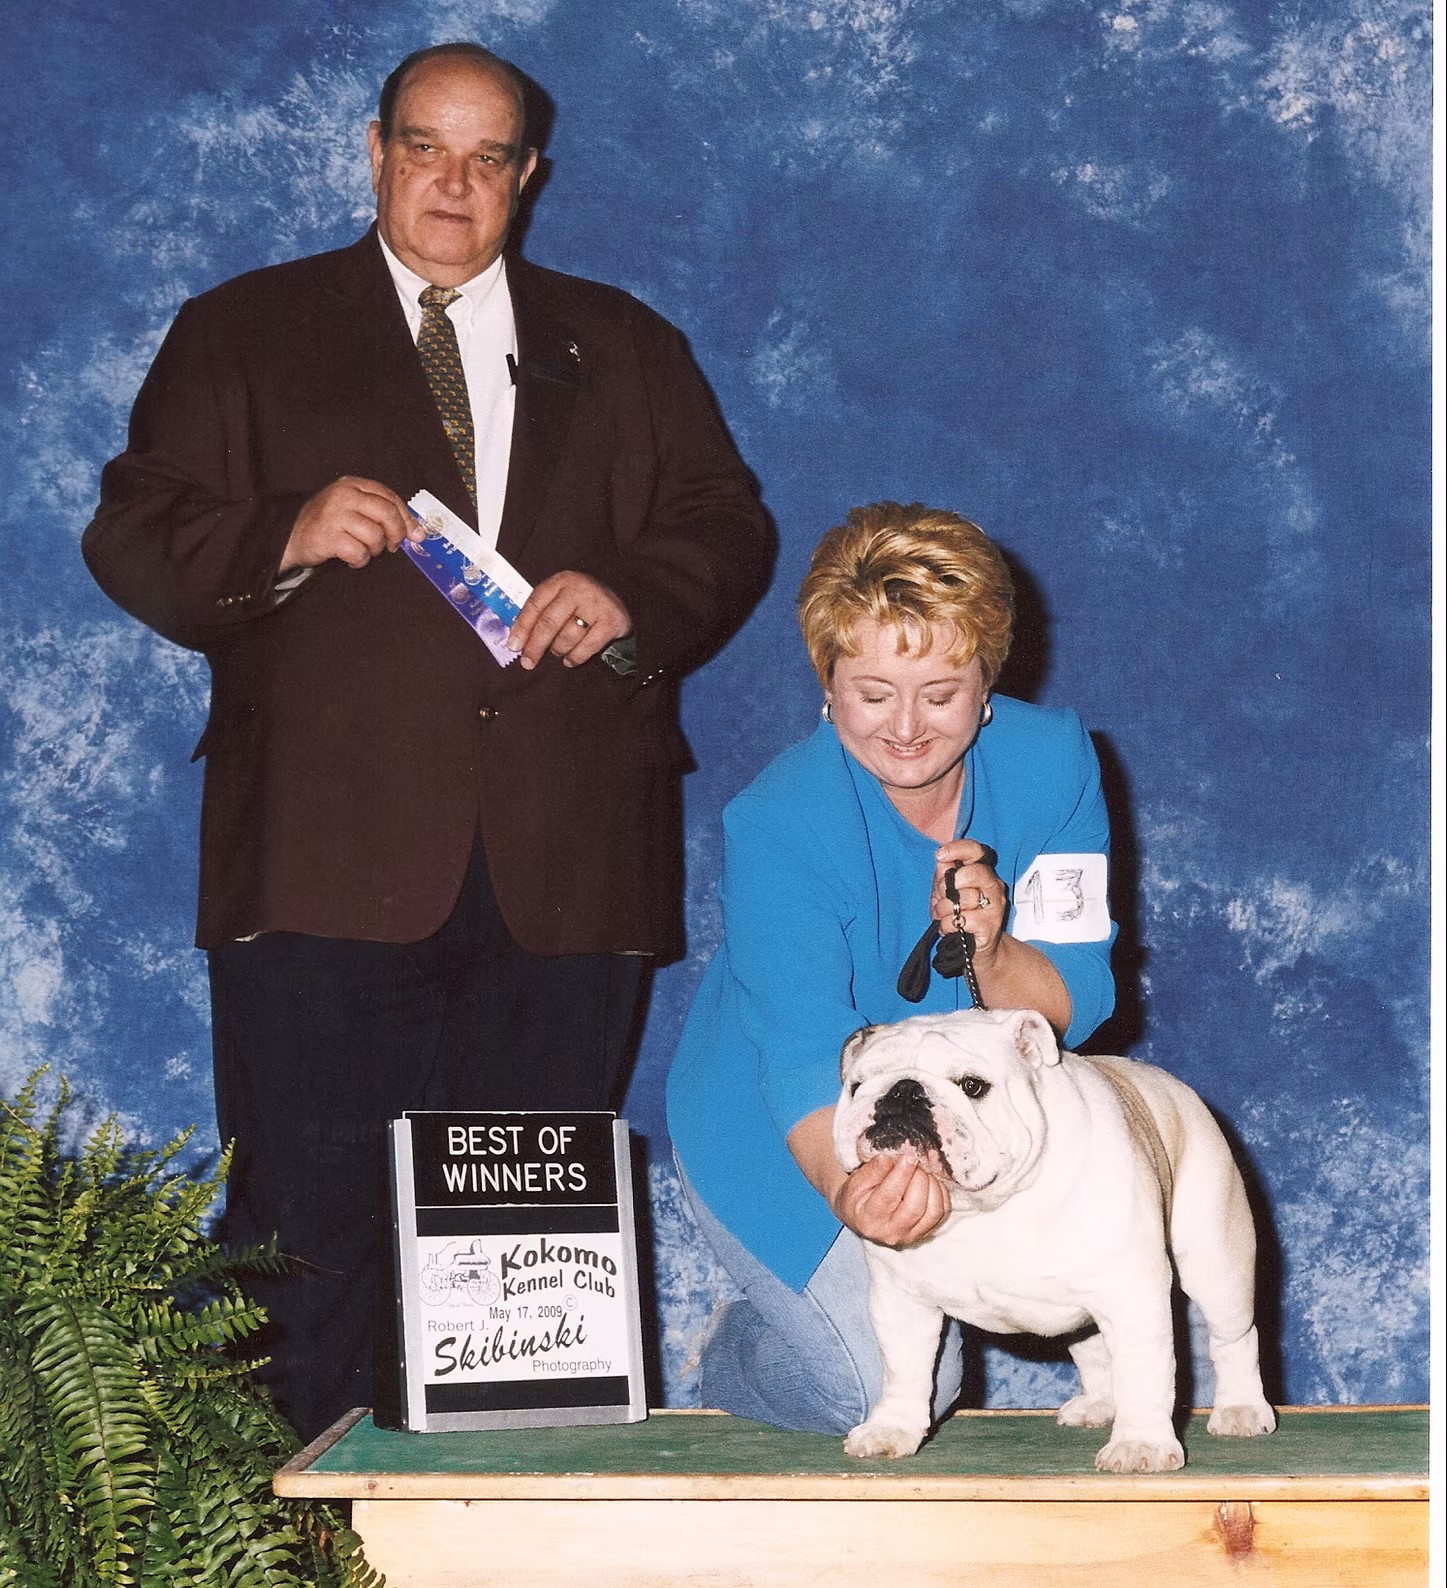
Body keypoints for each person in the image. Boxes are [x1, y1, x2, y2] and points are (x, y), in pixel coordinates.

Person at [82, 42, 772, 1441]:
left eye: (486, 158)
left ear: (529, 176)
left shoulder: (625, 343)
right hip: (325, 864)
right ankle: (297, 1554)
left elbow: (726, 528)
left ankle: (495, 1547)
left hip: (565, 869)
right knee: (303, 1240)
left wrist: (630, 596)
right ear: (373, 150)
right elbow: (132, 525)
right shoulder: (240, 331)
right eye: (423, 148)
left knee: (519, 1267)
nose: (451, 184)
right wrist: (277, 530)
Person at [666, 501, 1115, 1434]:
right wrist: (852, 1193)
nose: (906, 728)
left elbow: (1078, 1005)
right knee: (879, 1394)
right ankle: (740, 1352)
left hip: (966, 1106)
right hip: (778, 1113)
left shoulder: (1054, 762)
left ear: (988, 683)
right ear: (826, 689)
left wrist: (992, 947)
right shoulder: (777, 820)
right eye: (871, 694)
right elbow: (793, 1048)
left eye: (940, 693)